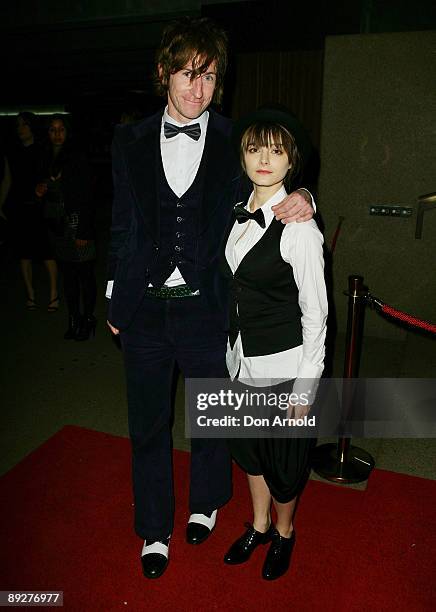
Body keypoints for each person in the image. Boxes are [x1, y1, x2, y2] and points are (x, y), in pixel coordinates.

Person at [106, 16, 314, 580]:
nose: (200, 89)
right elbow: (122, 226)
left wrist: (305, 197)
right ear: (163, 74)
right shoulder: (128, 140)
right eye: (188, 75)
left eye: (210, 77)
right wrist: (112, 297)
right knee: (147, 425)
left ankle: (205, 503)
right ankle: (153, 530)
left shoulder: (230, 138)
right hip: (143, 311)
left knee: (210, 420)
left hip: (206, 309)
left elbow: (274, 174)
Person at [222, 107, 327, 580]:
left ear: (291, 160)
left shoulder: (299, 226)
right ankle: (260, 524)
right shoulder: (234, 208)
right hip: (240, 361)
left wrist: (307, 386)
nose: (264, 158)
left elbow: (317, 313)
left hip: (285, 368)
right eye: (254, 148)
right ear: (242, 157)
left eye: (276, 150)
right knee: (249, 451)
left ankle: (285, 532)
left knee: (284, 464)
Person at [36, 115, 97, 340]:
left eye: (61, 129)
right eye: (52, 129)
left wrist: (83, 231)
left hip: (76, 222)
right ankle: (73, 319)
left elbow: (87, 195)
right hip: (56, 225)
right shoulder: (45, 157)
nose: (57, 133)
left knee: (85, 275)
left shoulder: (77, 156)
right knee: (68, 277)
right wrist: (41, 190)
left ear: (67, 131)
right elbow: (47, 187)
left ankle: (88, 320)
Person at [7, 112, 58, 310]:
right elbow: (8, 179)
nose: (21, 128)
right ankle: (30, 295)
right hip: (20, 207)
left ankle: (54, 294)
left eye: (24, 124)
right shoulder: (13, 151)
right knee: (23, 253)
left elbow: (51, 176)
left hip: (40, 207)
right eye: (18, 125)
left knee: (46, 252)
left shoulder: (43, 150)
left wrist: (44, 188)